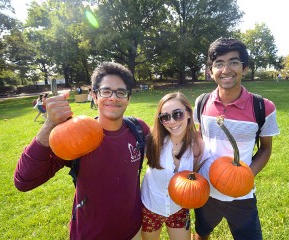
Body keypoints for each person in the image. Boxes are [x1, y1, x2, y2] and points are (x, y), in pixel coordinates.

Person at [14, 62, 150, 239]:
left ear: (128, 98)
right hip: (90, 234)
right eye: (106, 91)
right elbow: (24, 181)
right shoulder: (76, 136)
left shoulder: (138, 129)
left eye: (121, 92)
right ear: (94, 96)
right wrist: (49, 125)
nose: (114, 98)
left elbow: (164, 151)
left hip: (133, 231)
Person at [193, 38, 280, 240]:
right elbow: (199, 137)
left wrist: (245, 176)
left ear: (244, 67)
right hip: (206, 191)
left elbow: (266, 148)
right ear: (211, 70)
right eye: (219, 63)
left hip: (241, 196)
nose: (226, 69)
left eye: (233, 62)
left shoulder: (263, 107)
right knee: (201, 233)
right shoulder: (202, 102)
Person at [141, 92, 210, 240]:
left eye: (177, 114)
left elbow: (197, 177)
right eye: (165, 117)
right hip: (151, 206)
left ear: (189, 114)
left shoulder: (197, 145)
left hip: (178, 208)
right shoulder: (152, 141)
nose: (172, 121)